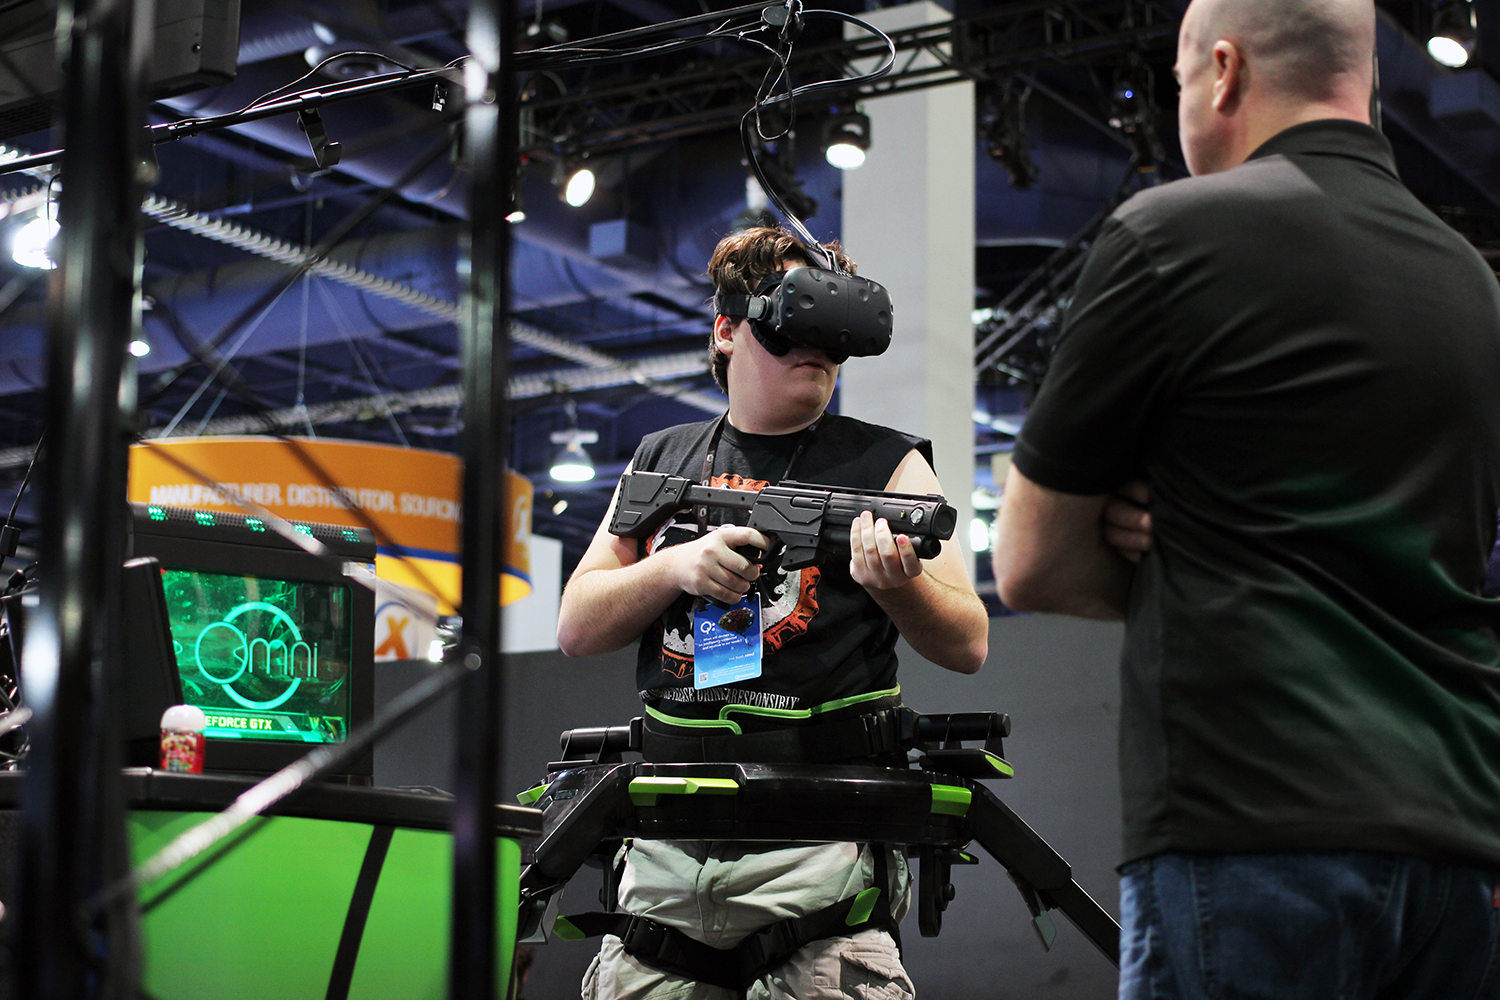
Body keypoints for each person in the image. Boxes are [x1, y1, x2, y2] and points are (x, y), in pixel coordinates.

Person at [993, 0, 1500, 996]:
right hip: (1462, 838)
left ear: (1222, 71)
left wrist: (1178, 543)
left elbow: (1029, 560)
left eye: (1179, 79)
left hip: (1254, 827)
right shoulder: (1474, 288)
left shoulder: (1172, 237)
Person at [556, 226, 990, 999]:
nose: (817, 349)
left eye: (835, 331)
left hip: (818, 852)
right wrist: (673, 566)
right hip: (664, 855)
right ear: (727, 329)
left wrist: (899, 585)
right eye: (796, 321)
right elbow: (577, 623)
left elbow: (967, 641)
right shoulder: (662, 458)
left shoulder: (888, 465)